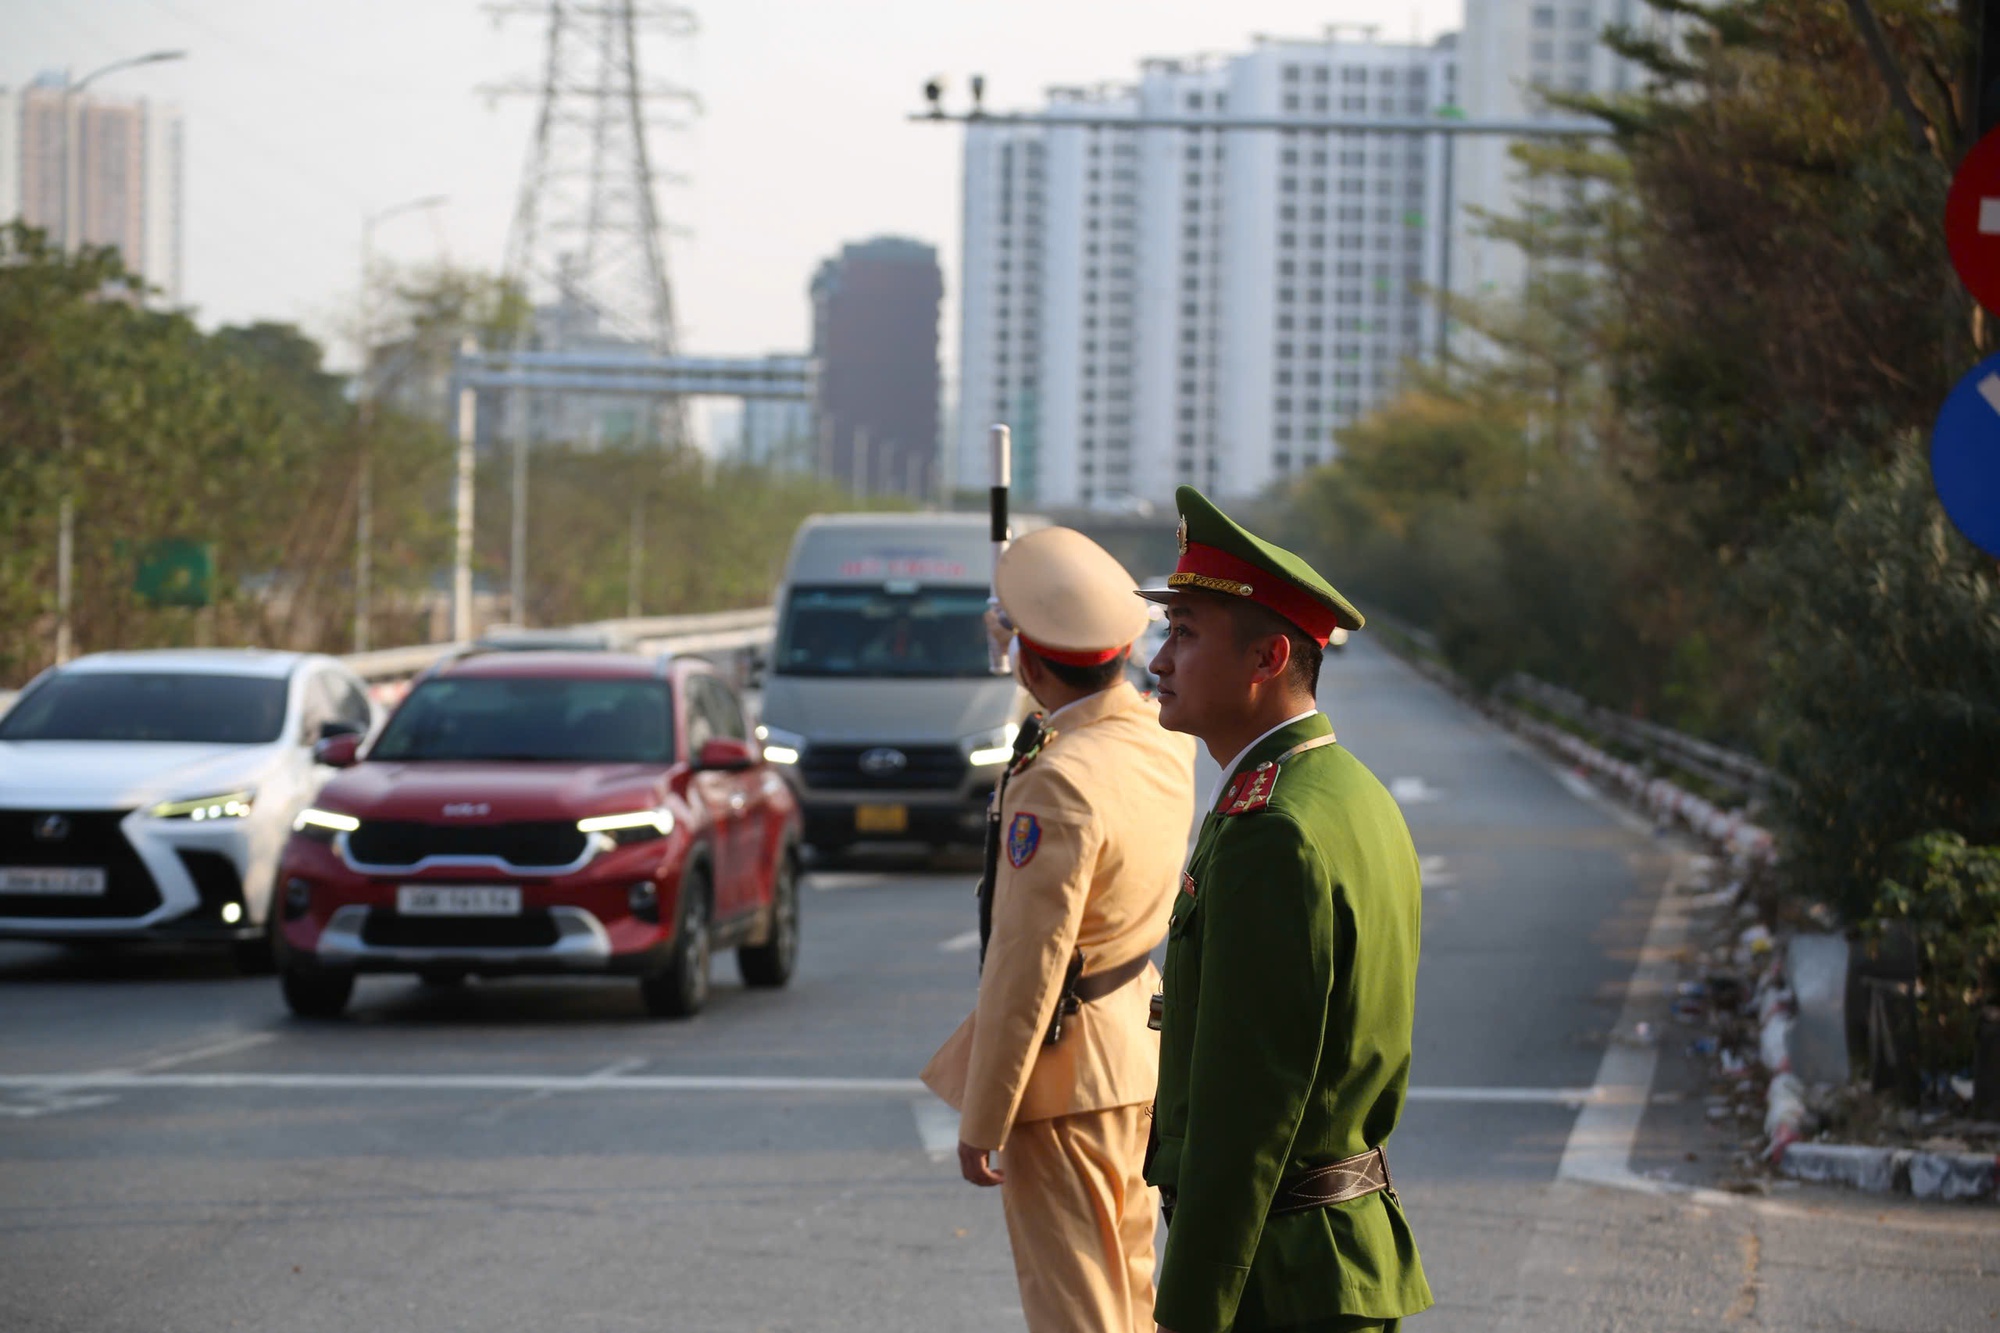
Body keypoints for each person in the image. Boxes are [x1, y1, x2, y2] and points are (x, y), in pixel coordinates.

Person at [1138, 487, 1432, 1333]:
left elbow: (1247, 1112)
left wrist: (1190, 1309)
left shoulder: (1275, 833)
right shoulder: (1343, 791)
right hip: (1320, 1262)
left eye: (1185, 633)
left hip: (1280, 1282)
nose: (1160, 660)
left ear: (1267, 660)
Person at [922, 526, 1197, 1333]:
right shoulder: (1155, 735)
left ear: (1030, 663)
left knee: (1078, 1310)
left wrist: (984, 1115)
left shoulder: (1060, 782)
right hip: (1135, 1051)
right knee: (1133, 1295)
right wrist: (1022, 631)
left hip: (1066, 1074)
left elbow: (1025, 967)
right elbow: (1075, 693)